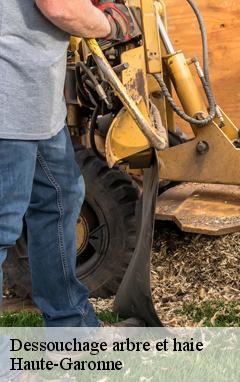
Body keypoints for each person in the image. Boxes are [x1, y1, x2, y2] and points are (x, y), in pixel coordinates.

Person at [0, 1, 142, 380]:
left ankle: (71, 332)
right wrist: (111, 23)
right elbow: (60, 7)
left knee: (59, 198)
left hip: (34, 104)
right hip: (8, 103)